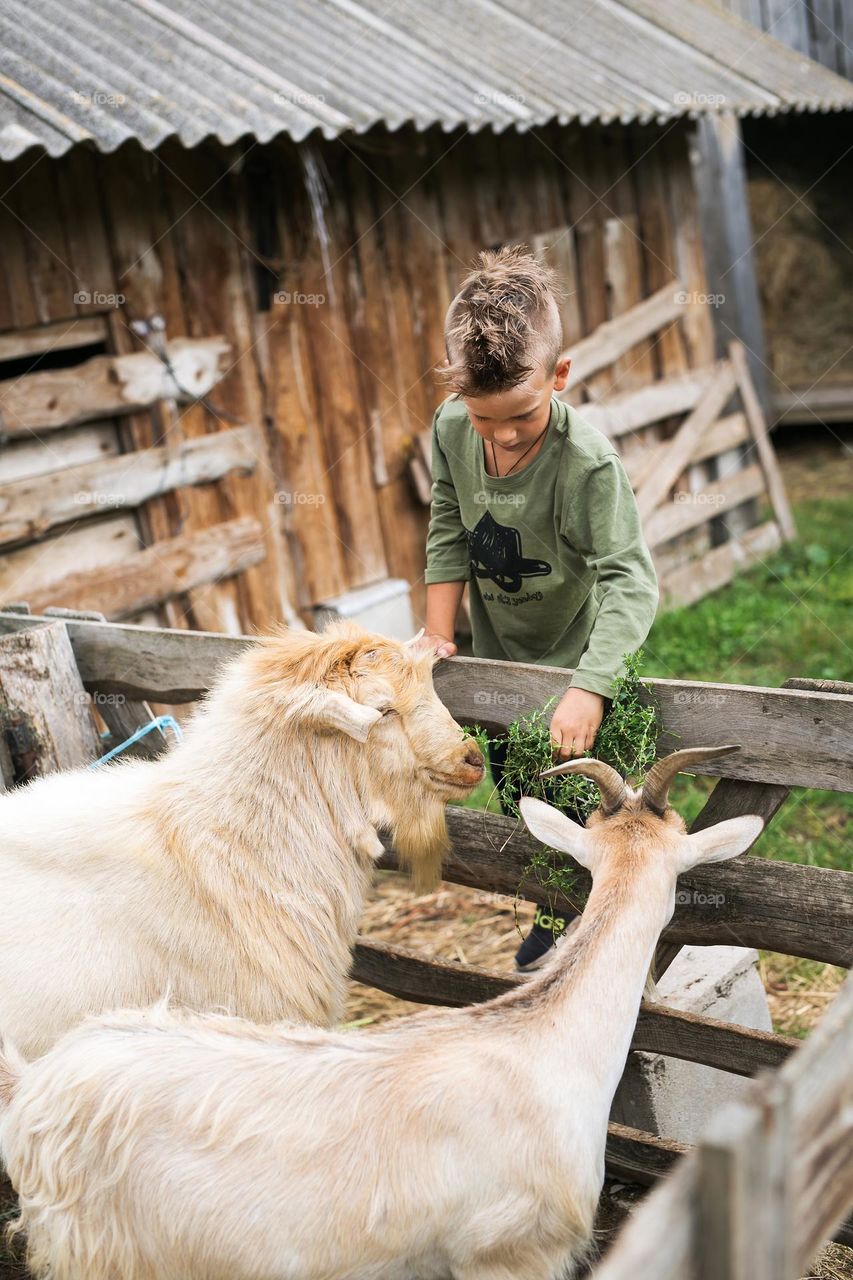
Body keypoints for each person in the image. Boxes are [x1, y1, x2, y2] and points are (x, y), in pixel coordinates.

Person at [417, 245, 658, 970]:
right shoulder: (451, 429)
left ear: (559, 376)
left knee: (604, 814)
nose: (504, 435)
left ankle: (624, 934)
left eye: (520, 414)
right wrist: (435, 631)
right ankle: (555, 917)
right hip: (500, 662)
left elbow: (631, 579)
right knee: (524, 802)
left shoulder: (586, 465)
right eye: (483, 418)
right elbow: (447, 520)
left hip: (583, 664)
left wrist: (590, 688)